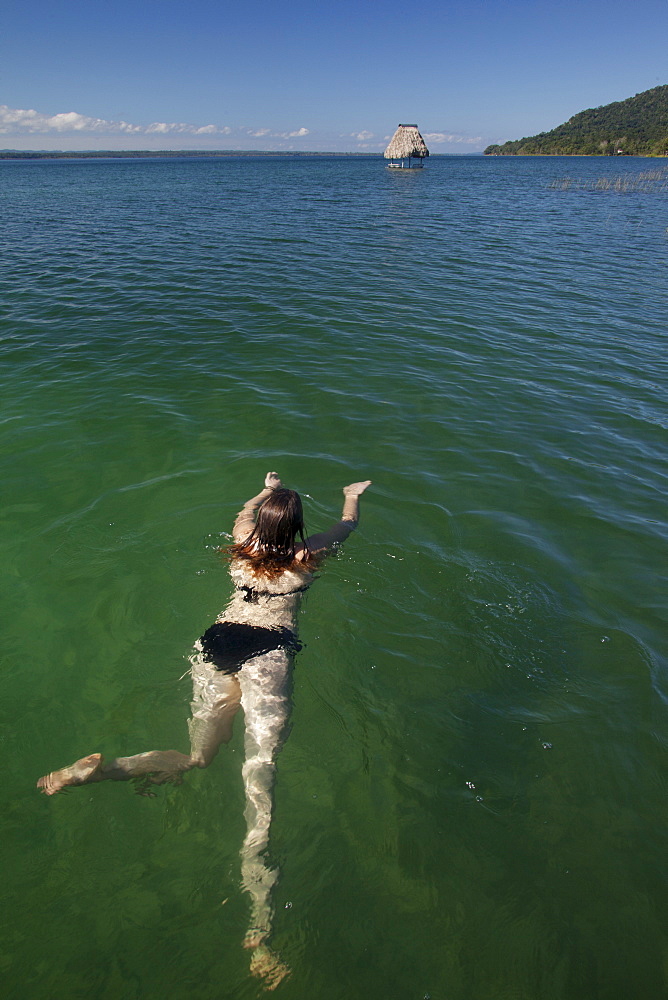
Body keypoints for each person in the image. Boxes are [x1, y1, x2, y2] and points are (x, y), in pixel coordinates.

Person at [37, 471, 372, 988]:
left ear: (260, 523)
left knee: (198, 758)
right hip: (268, 653)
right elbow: (348, 526)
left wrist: (266, 486)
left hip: (216, 643)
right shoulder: (308, 557)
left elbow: (243, 507)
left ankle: (104, 772)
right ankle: (260, 927)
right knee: (259, 781)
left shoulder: (242, 542)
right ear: (299, 527)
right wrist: (351, 497)